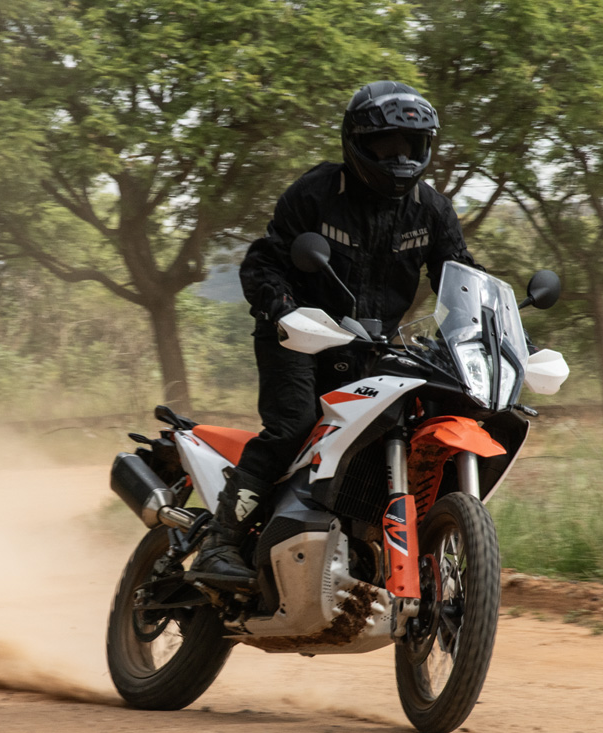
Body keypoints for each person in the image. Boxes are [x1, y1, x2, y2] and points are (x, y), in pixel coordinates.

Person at [191, 80, 483, 583]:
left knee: (403, 425)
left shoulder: (431, 209)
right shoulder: (316, 193)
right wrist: (284, 311)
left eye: (410, 146)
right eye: (385, 146)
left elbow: (461, 279)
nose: (399, 158)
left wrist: (495, 333)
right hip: (299, 335)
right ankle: (220, 542)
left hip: (372, 347)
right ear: (356, 143)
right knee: (294, 426)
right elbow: (264, 262)